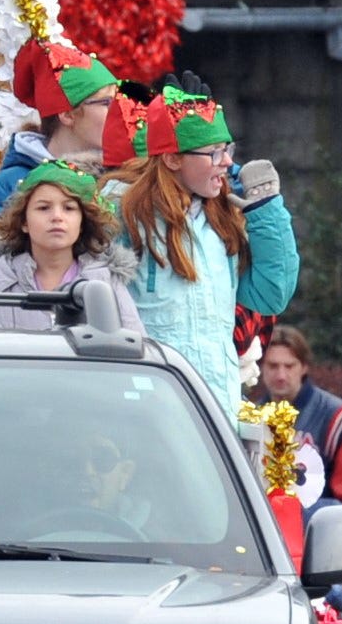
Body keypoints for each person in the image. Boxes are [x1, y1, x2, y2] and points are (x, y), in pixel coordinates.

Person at [104, 74, 298, 418]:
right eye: (214, 153)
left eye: (228, 149)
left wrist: (265, 208)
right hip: (147, 408)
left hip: (216, 408)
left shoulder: (225, 215)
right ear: (173, 159)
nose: (226, 162)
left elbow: (272, 295)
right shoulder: (125, 210)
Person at [0, 38, 119, 289]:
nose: (118, 112)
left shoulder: (117, 180)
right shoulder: (6, 187)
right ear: (67, 114)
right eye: (106, 103)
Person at [0, 159, 144, 334]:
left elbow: (135, 348)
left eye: (69, 208)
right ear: (24, 222)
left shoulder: (105, 281)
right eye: (44, 208)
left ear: (82, 222)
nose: (57, 217)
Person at [259, 324, 342, 520]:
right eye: (272, 365)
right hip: (263, 528)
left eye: (289, 366)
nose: (280, 375)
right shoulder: (251, 416)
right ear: (261, 367)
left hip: (321, 532)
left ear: (304, 367)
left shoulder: (334, 416)